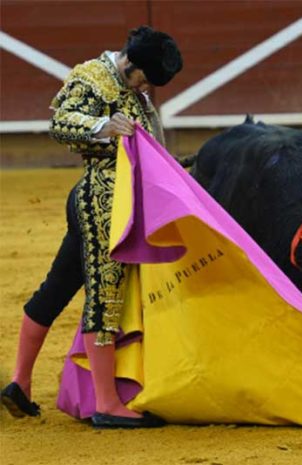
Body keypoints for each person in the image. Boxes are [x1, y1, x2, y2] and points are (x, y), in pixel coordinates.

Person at [1, 26, 182, 428]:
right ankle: (106, 402)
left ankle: (19, 383)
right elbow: (61, 123)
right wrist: (103, 127)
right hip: (101, 201)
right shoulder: (93, 77)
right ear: (131, 63)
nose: (146, 86)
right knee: (106, 289)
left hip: (120, 201)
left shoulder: (132, 89)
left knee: (58, 286)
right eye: (145, 78)